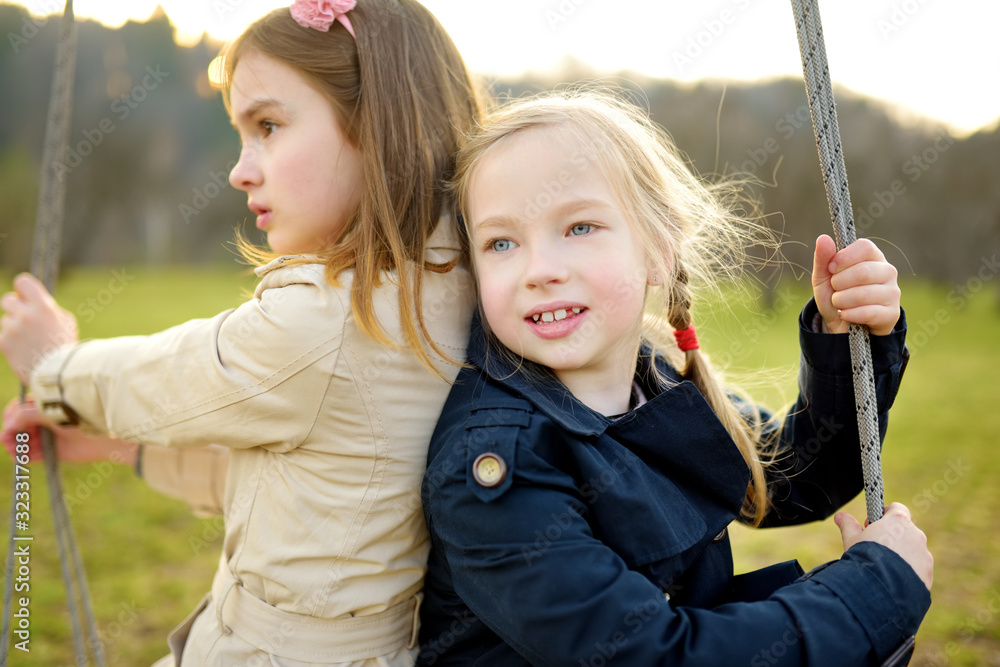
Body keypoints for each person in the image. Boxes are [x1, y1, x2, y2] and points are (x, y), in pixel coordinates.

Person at [0, 0, 485, 664]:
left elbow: (168, 375)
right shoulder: (451, 290)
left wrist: (55, 363)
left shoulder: (329, 316)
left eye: (269, 126)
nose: (240, 169)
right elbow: (304, 489)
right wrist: (119, 450)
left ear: (377, 125)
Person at [416, 91, 932, 666]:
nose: (540, 270)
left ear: (659, 250)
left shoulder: (653, 380)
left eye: (580, 227)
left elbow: (794, 476)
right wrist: (873, 592)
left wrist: (846, 342)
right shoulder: (495, 466)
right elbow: (653, 655)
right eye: (501, 242)